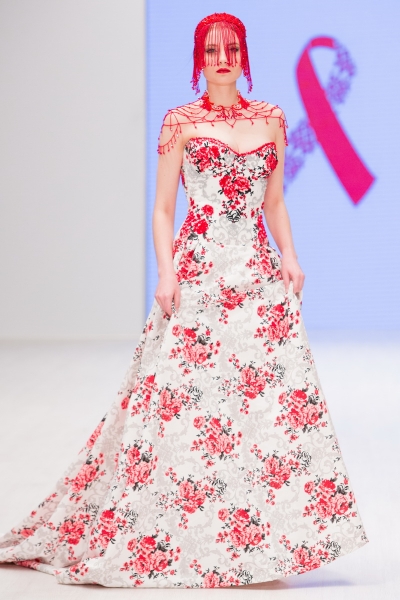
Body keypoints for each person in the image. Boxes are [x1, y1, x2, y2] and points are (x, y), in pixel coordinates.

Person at [0, 12, 368, 588]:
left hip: (256, 275)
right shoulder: (181, 122)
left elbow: (274, 202)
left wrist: (290, 257)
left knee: (267, 405)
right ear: (199, 59)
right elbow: (164, 208)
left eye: (231, 49)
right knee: (183, 404)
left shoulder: (272, 118)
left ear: (244, 55)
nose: (222, 59)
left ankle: (260, 542)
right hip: (199, 273)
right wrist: (167, 272)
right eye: (211, 50)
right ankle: (181, 532)